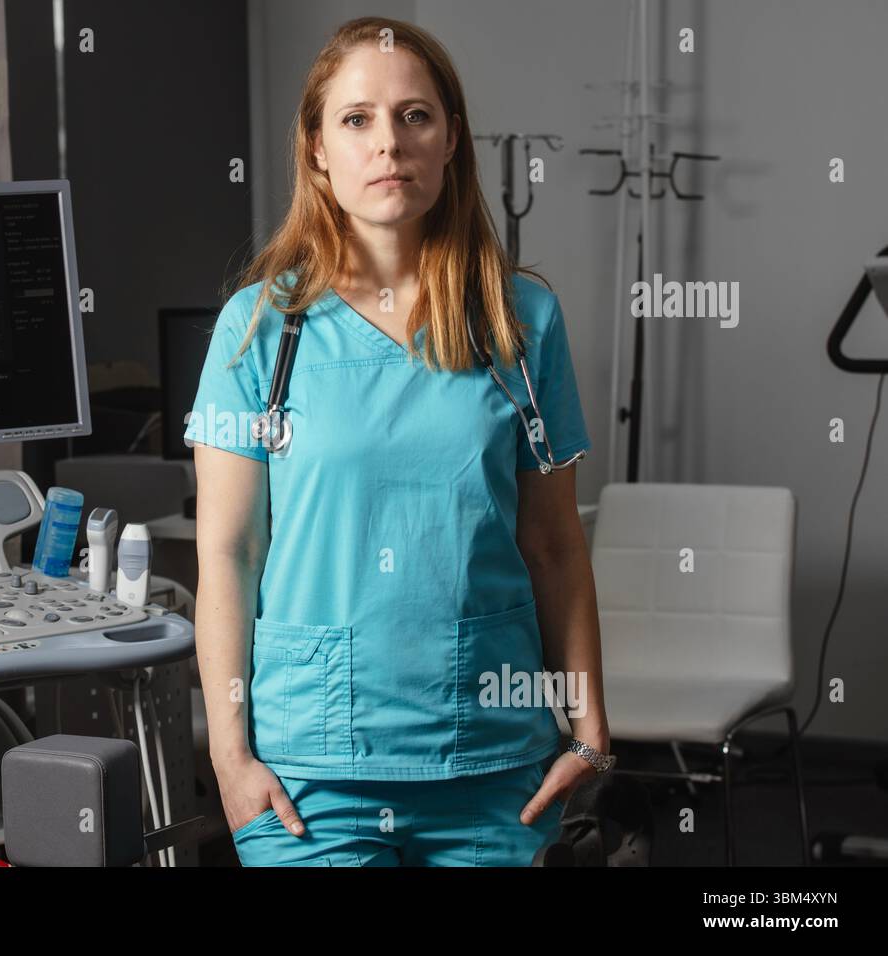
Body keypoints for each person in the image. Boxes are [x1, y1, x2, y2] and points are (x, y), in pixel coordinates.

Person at [184, 15, 611, 867]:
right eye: (357, 119)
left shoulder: (520, 321)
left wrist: (590, 725)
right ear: (316, 148)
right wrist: (231, 759)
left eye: (415, 116)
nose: (389, 143)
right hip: (308, 776)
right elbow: (228, 555)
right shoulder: (261, 330)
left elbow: (555, 544)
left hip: (493, 763)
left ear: (451, 137)